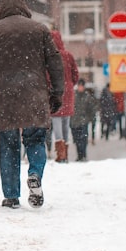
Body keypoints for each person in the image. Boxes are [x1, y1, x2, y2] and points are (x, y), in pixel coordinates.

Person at [0, 0, 64, 209]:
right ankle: (34, 173)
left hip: (5, 97)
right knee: (35, 140)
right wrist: (57, 92)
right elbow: (55, 62)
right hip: (35, 94)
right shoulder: (40, 30)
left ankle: (12, 195)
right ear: (24, 7)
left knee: (9, 146)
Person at [49, 30, 79, 163]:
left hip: (55, 92)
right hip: (68, 93)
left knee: (56, 121)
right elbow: (76, 74)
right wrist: (70, 85)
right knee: (66, 122)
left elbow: (47, 76)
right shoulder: (68, 55)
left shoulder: (50, 56)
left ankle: (60, 154)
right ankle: (65, 153)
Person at [71, 79, 97, 162]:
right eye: (79, 86)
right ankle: (79, 155)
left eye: (82, 86)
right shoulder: (74, 96)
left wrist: (90, 119)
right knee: (77, 140)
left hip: (83, 121)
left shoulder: (87, 97)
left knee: (83, 139)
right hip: (75, 121)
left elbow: (91, 109)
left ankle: (83, 155)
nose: (80, 88)